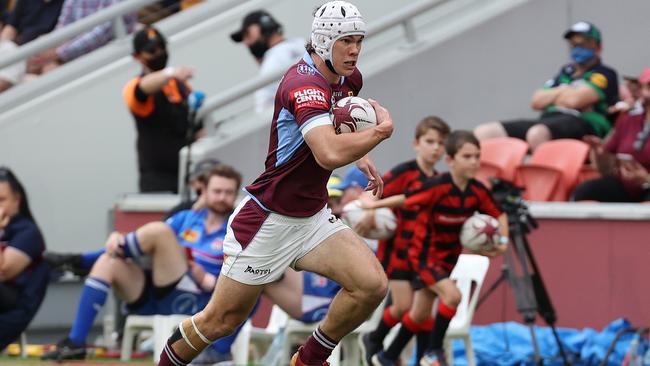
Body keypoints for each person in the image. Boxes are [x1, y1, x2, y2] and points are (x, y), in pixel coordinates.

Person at [156, 2, 394, 366]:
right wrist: (378, 133)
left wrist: (359, 153)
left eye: (359, 40)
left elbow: (341, 123)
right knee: (221, 320)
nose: (355, 49)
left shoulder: (349, 78)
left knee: (371, 285)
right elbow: (328, 152)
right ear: (324, 40)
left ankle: (308, 360)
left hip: (311, 217)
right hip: (268, 219)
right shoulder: (303, 85)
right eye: (346, 40)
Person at [42, 165, 243, 362]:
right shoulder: (187, 218)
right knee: (108, 262)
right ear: (204, 192)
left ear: (236, 195)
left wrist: (210, 280)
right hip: (157, 289)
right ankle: (75, 343)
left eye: (228, 192)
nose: (222, 197)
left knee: (159, 232)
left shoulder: (238, 228)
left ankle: (84, 261)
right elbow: (147, 243)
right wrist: (119, 238)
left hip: (196, 299)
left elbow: (245, 280)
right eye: (217, 191)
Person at [362, 131, 508, 366]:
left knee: (419, 314)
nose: (474, 162)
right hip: (422, 257)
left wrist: (501, 244)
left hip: (447, 260)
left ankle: (386, 356)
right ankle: (433, 351)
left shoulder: (477, 191)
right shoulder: (437, 186)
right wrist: (372, 206)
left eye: (477, 156)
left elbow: (499, 214)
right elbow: (404, 198)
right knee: (453, 296)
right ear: (450, 160)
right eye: (467, 156)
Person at [358, 116, 450, 365]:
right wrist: (370, 210)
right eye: (430, 141)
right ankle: (375, 339)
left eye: (440, 143)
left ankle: (419, 357)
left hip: (425, 256)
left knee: (422, 311)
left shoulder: (441, 181)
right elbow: (372, 194)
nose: (435, 148)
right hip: (398, 253)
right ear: (416, 143)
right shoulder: (405, 172)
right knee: (404, 307)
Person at [474, 21, 619, 151]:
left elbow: (574, 101)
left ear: (598, 47)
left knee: (537, 133)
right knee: (485, 132)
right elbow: (536, 101)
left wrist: (556, 96)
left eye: (584, 43)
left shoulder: (606, 74)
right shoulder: (565, 72)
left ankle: (541, 180)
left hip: (585, 124)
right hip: (549, 120)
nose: (577, 47)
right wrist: (565, 90)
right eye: (574, 44)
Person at [123, 26, 204, 194]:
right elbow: (143, 87)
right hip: (158, 181)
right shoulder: (135, 86)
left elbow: (197, 127)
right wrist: (170, 72)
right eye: (151, 50)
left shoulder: (181, 85)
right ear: (137, 57)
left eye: (162, 47)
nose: (159, 53)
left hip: (190, 176)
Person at [573, 68, 650, 202]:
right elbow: (606, 169)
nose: (644, 93)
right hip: (627, 188)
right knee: (584, 192)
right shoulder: (628, 120)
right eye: (644, 87)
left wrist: (646, 179)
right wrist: (598, 152)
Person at [0, 167, 49, 352]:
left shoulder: (28, 233)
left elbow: (3, 272)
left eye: (2, 200)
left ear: (17, 199)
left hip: (12, 301)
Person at [29, 0, 136, 73]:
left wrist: (58, 53)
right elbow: (63, 27)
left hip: (110, 55)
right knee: (40, 65)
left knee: (49, 70)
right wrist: (46, 49)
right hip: (77, 56)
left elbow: (101, 33)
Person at [230, 10, 305, 113]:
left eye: (248, 34)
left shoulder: (271, 63)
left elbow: (263, 114)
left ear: (265, 26)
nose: (246, 43)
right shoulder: (302, 44)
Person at [0, 0, 64, 91]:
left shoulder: (67, 3)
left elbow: (62, 34)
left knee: (50, 71)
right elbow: (11, 28)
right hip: (20, 52)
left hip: (47, 54)